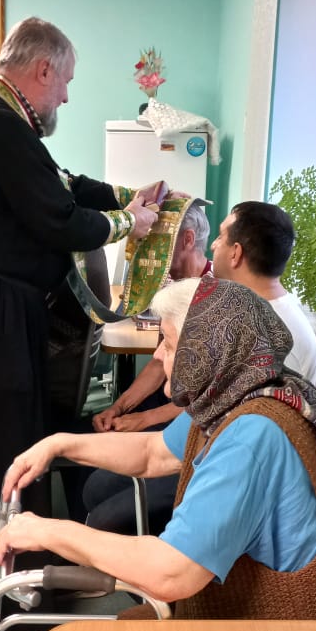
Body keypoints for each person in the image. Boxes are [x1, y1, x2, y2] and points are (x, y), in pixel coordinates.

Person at [0, 16, 158, 622]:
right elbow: (58, 218)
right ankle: (0, 590)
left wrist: (123, 196)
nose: (66, 96)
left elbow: (62, 183)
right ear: (43, 70)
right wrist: (132, 224)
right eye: (66, 81)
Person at [0, 275, 316, 620]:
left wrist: (47, 532)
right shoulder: (237, 393)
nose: (158, 356)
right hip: (257, 618)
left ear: (203, 354)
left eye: (169, 345)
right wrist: (59, 444)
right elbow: (152, 454)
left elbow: (170, 573)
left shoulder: (250, 435)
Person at [84, 202, 213, 533]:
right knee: (94, 470)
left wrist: (143, 419)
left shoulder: (214, 299)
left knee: (105, 505)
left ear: (187, 240)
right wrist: (119, 407)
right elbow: (158, 363)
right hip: (173, 404)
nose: (151, 254)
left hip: (194, 419)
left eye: (159, 244)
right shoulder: (173, 287)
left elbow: (208, 398)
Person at [210, 201, 316, 388]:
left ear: (236, 253)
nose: (213, 245)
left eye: (221, 236)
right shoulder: (254, 312)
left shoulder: (274, 338)